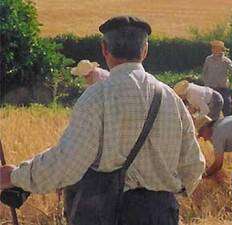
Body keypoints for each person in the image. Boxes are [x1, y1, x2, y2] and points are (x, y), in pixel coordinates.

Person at [0, 15, 205, 225]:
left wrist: (15, 177)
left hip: (111, 213)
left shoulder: (98, 97)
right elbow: (194, 165)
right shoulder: (171, 98)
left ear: (105, 49)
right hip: (162, 214)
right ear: (145, 51)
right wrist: (161, 194)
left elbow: (68, 162)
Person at [201, 40, 232, 116]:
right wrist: (205, 84)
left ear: (221, 49)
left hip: (222, 88)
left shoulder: (226, 61)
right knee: (210, 109)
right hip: (211, 88)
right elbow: (204, 72)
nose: (213, 49)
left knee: (227, 107)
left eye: (215, 47)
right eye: (213, 47)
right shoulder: (208, 59)